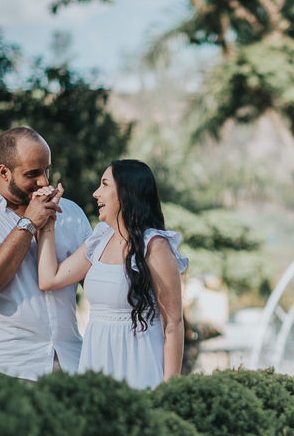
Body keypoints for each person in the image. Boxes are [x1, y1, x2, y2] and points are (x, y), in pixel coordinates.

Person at [0, 127, 92, 379]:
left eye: (47, 170)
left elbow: (96, 285)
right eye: (32, 174)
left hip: (69, 365)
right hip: (4, 366)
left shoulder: (71, 212)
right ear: (4, 172)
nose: (44, 182)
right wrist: (28, 223)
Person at [36, 159, 186, 389]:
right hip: (97, 365)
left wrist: (170, 392)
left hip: (140, 366)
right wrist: (47, 219)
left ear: (127, 193)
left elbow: (174, 324)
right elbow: (49, 279)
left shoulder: (155, 246)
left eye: (105, 185)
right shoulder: (99, 238)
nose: (96, 193)